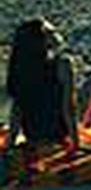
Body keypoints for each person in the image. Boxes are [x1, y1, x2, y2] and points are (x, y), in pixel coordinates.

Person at [5, 18, 78, 149]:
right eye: (51, 31)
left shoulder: (20, 69)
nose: (56, 33)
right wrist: (76, 142)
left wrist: (9, 143)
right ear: (43, 40)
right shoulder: (63, 64)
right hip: (58, 134)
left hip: (33, 135)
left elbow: (16, 114)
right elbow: (69, 108)